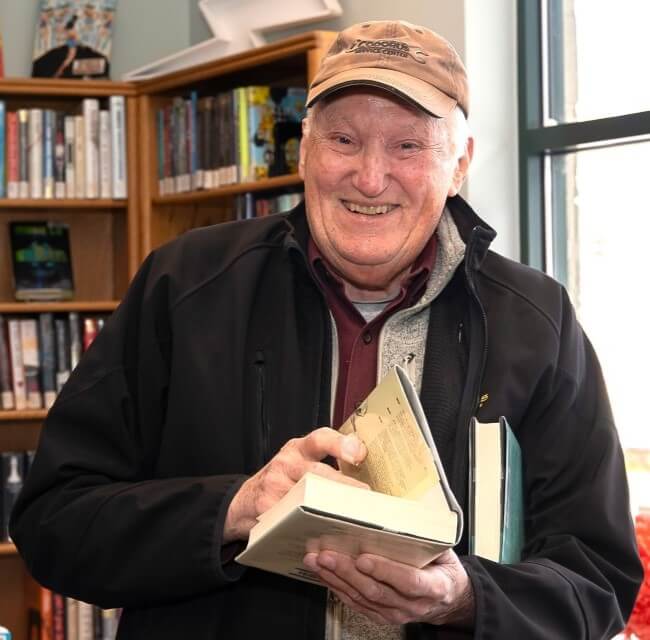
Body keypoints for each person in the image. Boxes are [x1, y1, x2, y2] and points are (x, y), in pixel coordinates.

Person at [11, 19, 643, 640]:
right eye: (343, 139)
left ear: (459, 164)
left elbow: (597, 580)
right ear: (305, 149)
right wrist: (236, 509)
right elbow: (53, 522)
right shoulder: (185, 287)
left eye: (408, 146)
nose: (370, 178)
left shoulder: (538, 320)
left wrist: (465, 598)